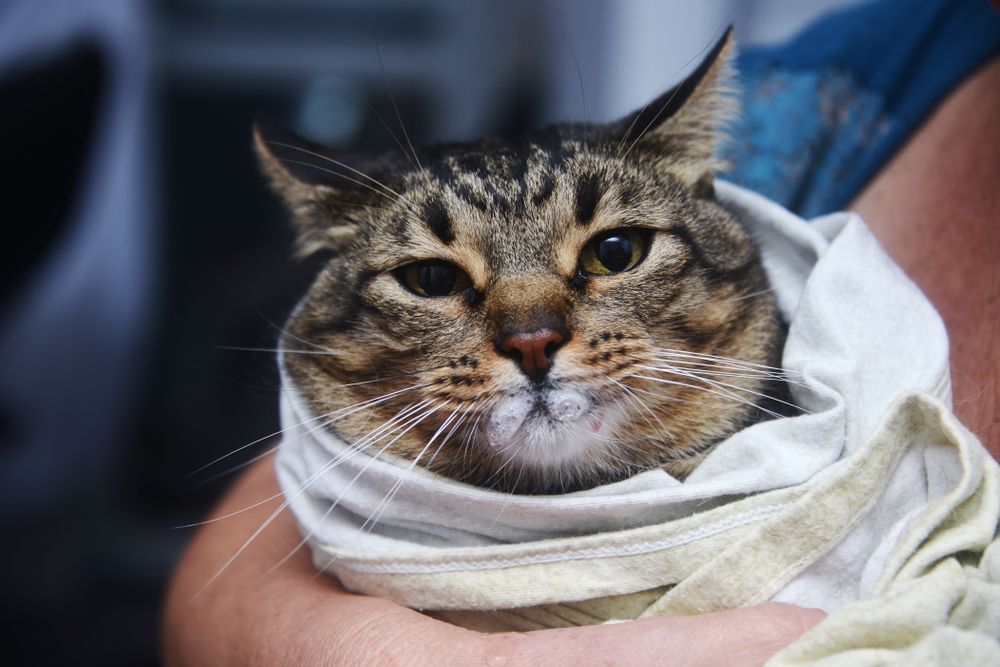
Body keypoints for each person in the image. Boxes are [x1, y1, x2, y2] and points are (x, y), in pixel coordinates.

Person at [162, 1, 1000, 664]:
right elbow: (208, 598)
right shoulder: (834, 80)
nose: (532, 331)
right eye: (432, 277)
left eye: (614, 249)